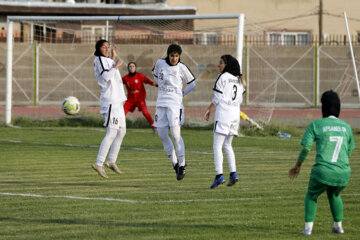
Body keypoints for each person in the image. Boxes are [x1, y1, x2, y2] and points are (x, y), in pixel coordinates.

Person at [288, 90, 355, 235]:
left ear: (323, 108)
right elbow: (349, 151)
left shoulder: (316, 125)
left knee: (312, 195)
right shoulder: (347, 127)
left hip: (323, 171)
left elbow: (306, 148)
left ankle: (308, 229)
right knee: (334, 195)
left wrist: (297, 165)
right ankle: (338, 226)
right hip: (343, 172)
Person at [152, 43, 196, 181]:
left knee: (176, 135)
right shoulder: (160, 63)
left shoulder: (182, 67)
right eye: (172, 56)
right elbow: (155, 75)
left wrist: (181, 94)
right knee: (162, 135)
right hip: (161, 103)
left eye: (177, 56)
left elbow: (192, 83)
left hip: (175, 105)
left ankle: (182, 165)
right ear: (168, 55)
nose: (174, 58)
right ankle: (175, 164)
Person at [204, 54, 245, 189]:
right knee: (228, 145)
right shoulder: (239, 81)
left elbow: (217, 98)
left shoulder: (223, 77)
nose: (219, 65)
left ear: (227, 65)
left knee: (217, 145)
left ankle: (218, 175)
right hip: (235, 115)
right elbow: (240, 101)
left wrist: (209, 110)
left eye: (221, 63)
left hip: (224, 114)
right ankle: (233, 173)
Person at [92, 39, 127, 179]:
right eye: (104, 47)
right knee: (112, 132)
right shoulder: (98, 60)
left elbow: (109, 67)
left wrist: (113, 56)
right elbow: (106, 76)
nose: (106, 49)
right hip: (110, 101)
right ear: (98, 49)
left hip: (118, 100)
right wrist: (116, 65)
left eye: (108, 47)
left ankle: (111, 161)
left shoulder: (106, 59)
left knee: (122, 131)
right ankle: (98, 163)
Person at [122, 62, 158, 132]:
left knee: (145, 112)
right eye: (130, 66)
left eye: (133, 66)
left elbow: (148, 81)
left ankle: (154, 128)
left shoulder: (140, 76)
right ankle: (118, 128)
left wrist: (154, 84)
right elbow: (118, 84)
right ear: (128, 68)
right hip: (130, 100)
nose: (132, 68)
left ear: (135, 68)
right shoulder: (125, 78)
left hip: (140, 99)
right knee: (122, 114)